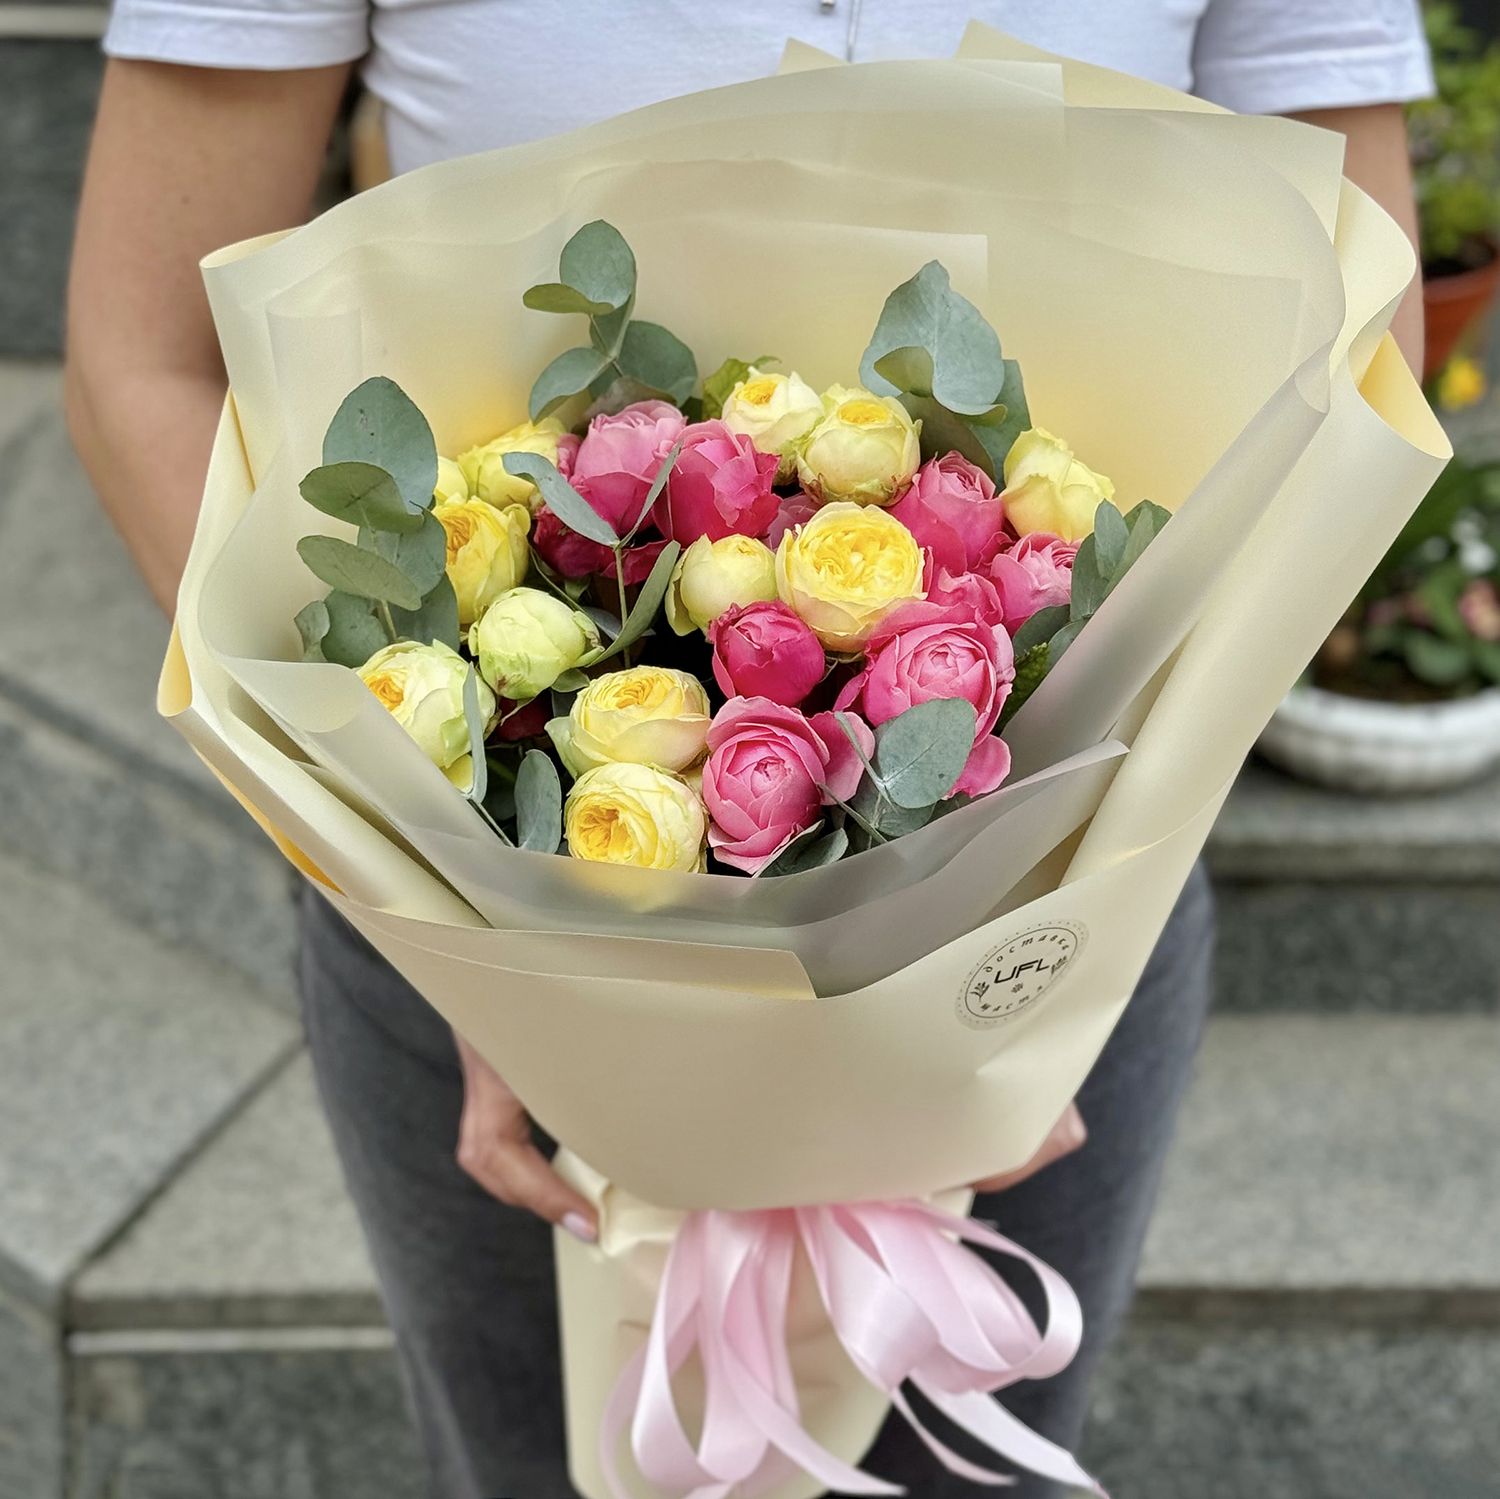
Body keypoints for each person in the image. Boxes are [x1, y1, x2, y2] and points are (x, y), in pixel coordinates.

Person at [66, 4, 1431, 1495]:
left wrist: (1062, 929)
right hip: (469, 968)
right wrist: (470, 936)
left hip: (1057, 934)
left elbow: (1358, 362)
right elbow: (144, 364)